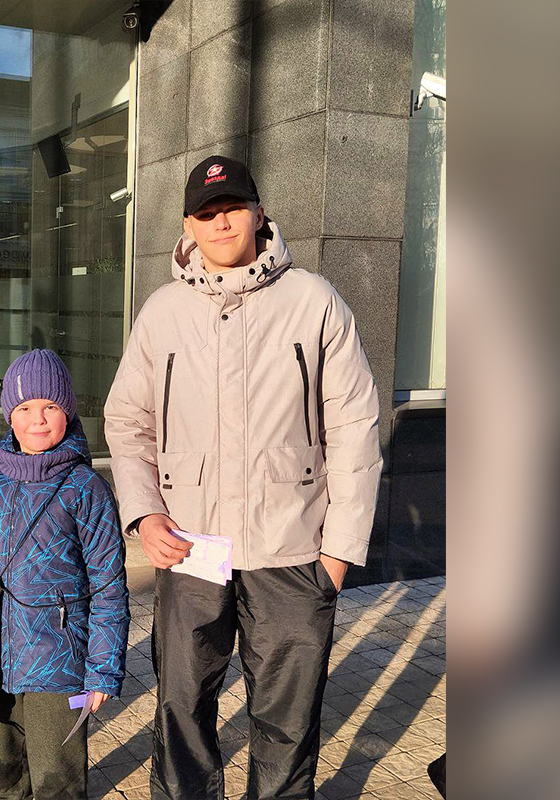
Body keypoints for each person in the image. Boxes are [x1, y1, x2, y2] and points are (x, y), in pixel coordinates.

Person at [104, 155, 382, 800]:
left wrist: (340, 551)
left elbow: (354, 425)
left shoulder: (313, 301)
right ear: (187, 225)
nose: (221, 221)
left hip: (293, 548)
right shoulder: (163, 312)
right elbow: (127, 420)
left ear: (259, 212)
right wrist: (145, 512)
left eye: (232, 206)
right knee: (181, 710)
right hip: (191, 546)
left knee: (288, 721)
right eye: (206, 213)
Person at [0, 349, 129, 800]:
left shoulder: (86, 489)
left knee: (58, 778)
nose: (38, 419)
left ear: (68, 411)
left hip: (62, 664)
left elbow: (109, 586)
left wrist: (103, 669)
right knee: (7, 769)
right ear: (9, 416)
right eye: (25, 408)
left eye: (51, 406)